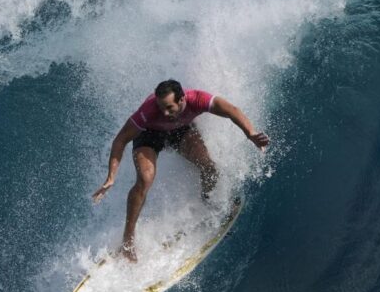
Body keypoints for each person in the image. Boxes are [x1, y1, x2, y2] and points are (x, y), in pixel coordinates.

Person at [91, 79, 269, 262]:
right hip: (149, 135)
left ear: (182, 99)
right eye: (161, 108)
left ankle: (207, 202)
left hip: (181, 131)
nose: (164, 113)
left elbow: (232, 111)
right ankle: (127, 243)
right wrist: (111, 176)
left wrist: (251, 133)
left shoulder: (198, 99)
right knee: (145, 179)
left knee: (209, 167)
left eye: (169, 108)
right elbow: (120, 139)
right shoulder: (149, 111)